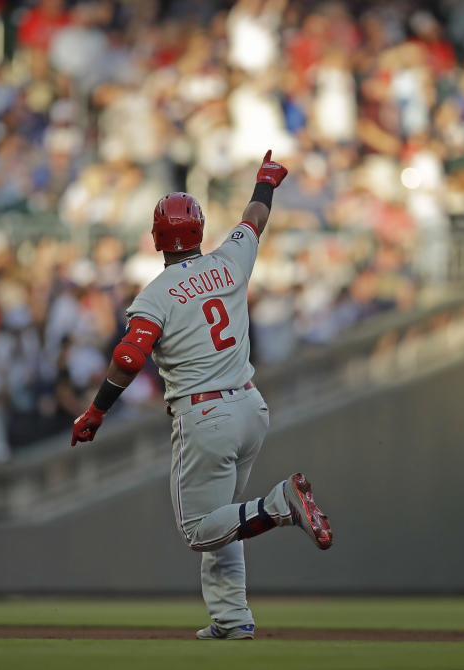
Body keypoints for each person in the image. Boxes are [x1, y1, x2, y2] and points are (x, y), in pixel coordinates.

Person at [71, 151, 333, 640]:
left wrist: (95, 410)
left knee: (199, 528)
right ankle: (232, 620)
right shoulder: (229, 260)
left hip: (205, 413)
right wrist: (265, 180)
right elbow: (255, 217)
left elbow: (129, 358)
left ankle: (281, 504)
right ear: (197, 230)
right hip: (251, 405)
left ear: (156, 239)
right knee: (224, 519)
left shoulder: (155, 294)